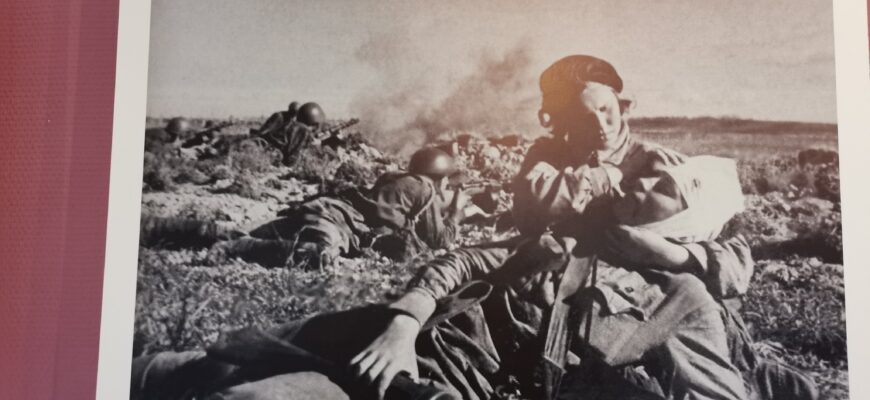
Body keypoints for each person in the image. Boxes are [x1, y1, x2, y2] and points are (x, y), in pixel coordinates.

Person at [130, 156, 816, 400]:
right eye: (642, 173)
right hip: (390, 343)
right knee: (181, 371)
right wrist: (404, 322)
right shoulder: (566, 236)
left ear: (693, 219)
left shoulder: (683, 299)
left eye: (663, 186)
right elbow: (462, 262)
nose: (639, 185)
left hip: (441, 390)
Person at [139, 148, 472, 270]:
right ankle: (237, 250)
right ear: (439, 177)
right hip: (335, 224)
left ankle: (155, 227)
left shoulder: (399, 179)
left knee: (236, 228)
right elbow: (440, 240)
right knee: (319, 256)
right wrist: (457, 212)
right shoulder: (426, 188)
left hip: (321, 209)